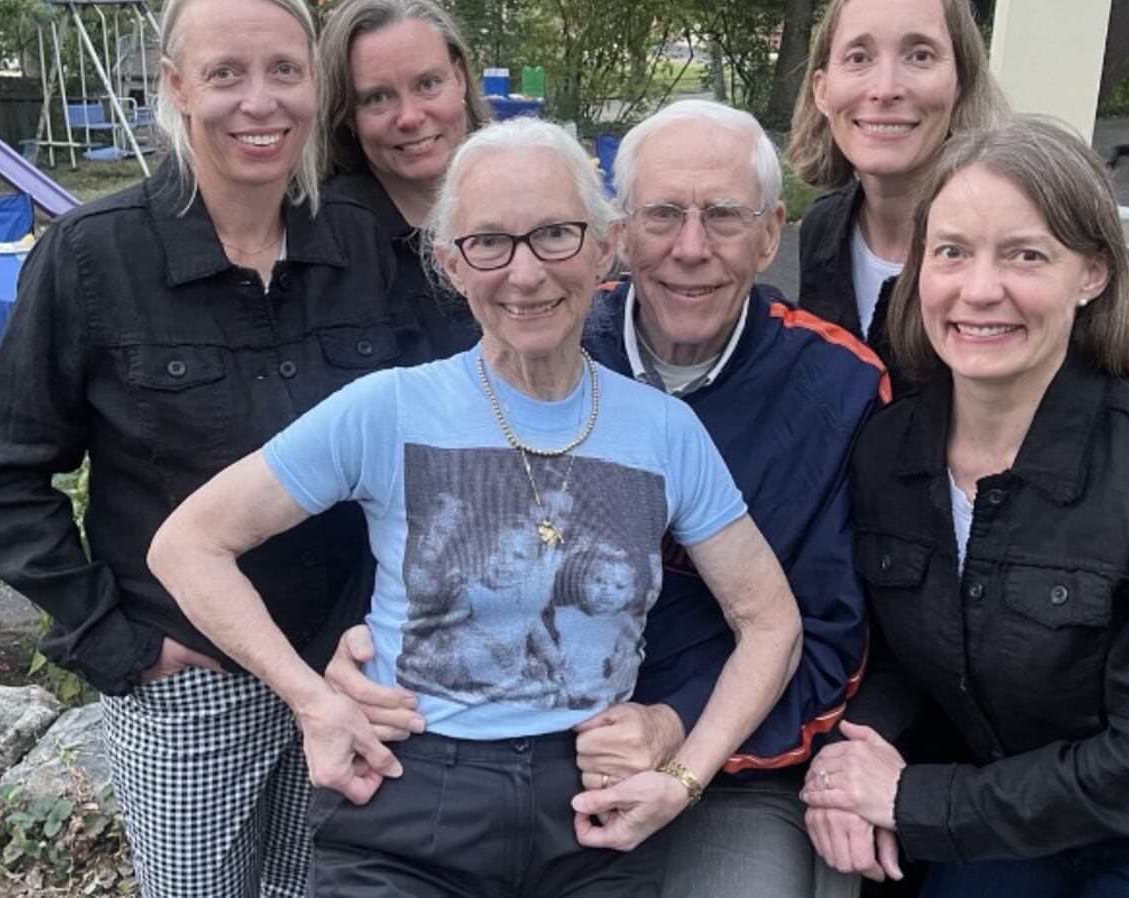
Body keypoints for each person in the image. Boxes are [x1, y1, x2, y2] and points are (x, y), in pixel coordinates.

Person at [146, 116, 804, 897]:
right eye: (490, 242)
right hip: (412, 800)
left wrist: (686, 775)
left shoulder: (664, 430)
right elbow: (187, 544)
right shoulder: (387, 409)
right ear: (453, 265)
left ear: (604, 248)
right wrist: (311, 699)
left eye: (555, 235)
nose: (525, 274)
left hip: (594, 809)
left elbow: (771, 621)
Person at [785, 0, 1129, 877]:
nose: (887, 86)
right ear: (821, 83)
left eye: (919, 54)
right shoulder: (822, 239)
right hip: (952, 661)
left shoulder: (1049, 232)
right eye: (858, 56)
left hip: (1076, 652)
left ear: (962, 79)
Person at [327, 100, 888, 896]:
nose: (690, 249)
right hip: (532, 749)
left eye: (724, 216)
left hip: (732, 756)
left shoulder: (839, 388)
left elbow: (825, 631)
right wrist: (357, 654)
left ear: (772, 233)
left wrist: (677, 727)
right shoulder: (539, 336)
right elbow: (411, 525)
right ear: (617, 234)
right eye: (662, 214)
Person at [0, 0, 421, 897]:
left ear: (314, 83)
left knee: (323, 888)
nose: (261, 102)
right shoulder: (94, 258)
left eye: (285, 71)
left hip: (345, 666)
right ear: (176, 85)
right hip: (189, 682)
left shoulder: (363, 245)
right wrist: (120, 645)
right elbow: (7, 480)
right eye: (225, 74)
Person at [316, 0, 489, 361]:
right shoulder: (325, 245)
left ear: (458, 78)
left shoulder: (522, 196)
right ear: (346, 113)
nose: (410, 117)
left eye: (427, 84)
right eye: (377, 98)